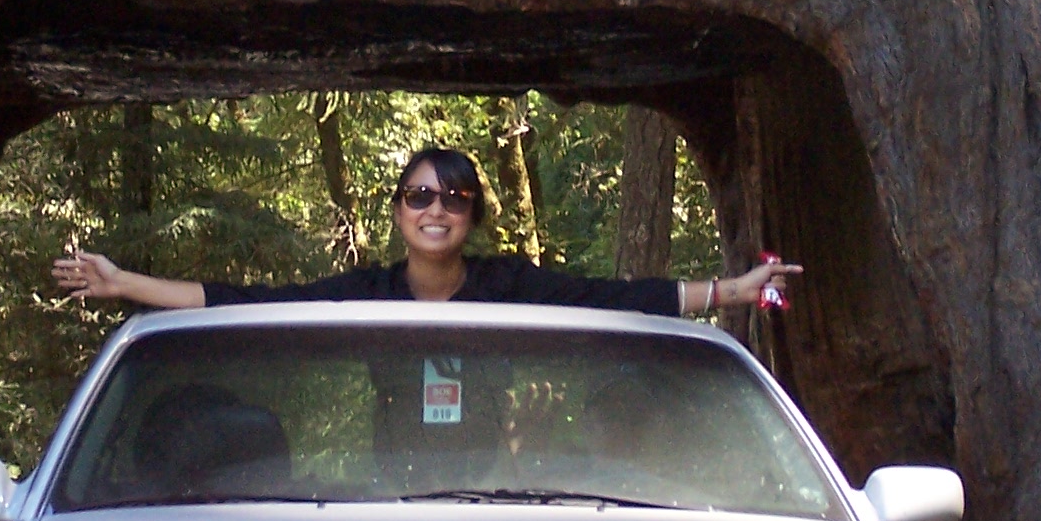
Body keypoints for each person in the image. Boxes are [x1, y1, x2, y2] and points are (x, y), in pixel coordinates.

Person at [52, 144, 799, 319]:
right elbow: (251, 303)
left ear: (473, 215)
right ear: (398, 211)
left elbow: (614, 299)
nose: (435, 210)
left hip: (500, 492)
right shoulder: (368, 293)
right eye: (418, 196)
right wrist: (123, 283)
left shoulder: (509, 284)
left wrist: (733, 291)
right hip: (389, 498)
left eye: (454, 197)